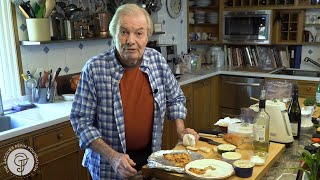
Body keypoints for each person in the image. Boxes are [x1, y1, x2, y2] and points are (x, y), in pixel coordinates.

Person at [70, 3, 199, 180]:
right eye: (124, 32)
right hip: (109, 166)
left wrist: (180, 129)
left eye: (139, 33)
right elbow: (80, 121)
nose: (131, 40)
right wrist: (113, 157)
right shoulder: (94, 69)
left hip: (150, 160)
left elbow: (175, 98)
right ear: (113, 35)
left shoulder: (156, 60)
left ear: (147, 37)